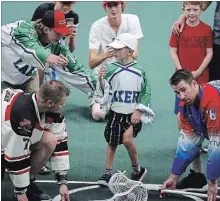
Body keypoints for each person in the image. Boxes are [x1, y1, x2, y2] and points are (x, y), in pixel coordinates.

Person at [1, 10, 104, 121]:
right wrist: (50, 57)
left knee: (35, 112)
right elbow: (32, 49)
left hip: (27, 77)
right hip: (3, 77)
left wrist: (101, 88)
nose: (61, 36)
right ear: (46, 29)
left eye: (62, 33)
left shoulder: (56, 44)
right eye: (57, 33)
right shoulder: (22, 30)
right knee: (6, 117)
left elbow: (76, 68)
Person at [94, 33, 155, 186]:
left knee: (127, 140)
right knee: (112, 141)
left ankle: (137, 169)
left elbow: (145, 93)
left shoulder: (139, 71)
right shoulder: (109, 69)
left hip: (132, 114)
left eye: (118, 49)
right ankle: (107, 173)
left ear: (129, 50)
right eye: (114, 48)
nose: (114, 51)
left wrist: (139, 111)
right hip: (116, 112)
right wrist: (100, 80)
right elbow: (103, 93)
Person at [1, 80, 71, 201]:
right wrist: (20, 192)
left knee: (50, 140)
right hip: (5, 141)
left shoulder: (49, 110)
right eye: (62, 103)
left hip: (8, 138)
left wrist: (62, 182)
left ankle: (29, 186)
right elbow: (15, 156)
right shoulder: (22, 116)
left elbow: (60, 143)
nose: (63, 106)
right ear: (50, 103)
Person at [161, 70, 220, 201]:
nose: (181, 96)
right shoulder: (185, 105)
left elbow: (216, 146)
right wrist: (173, 177)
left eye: (183, 90)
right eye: (177, 92)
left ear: (194, 84)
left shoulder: (213, 103)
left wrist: (212, 181)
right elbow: (188, 143)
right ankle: (198, 177)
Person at [89, 1, 143, 78]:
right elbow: (92, 63)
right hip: (103, 77)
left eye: (116, 5)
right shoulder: (96, 27)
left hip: (127, 74)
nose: (113, 9)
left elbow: (134, 55)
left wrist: (117, 51)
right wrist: (106, 54)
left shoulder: (132, 20)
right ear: (104, 7)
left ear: (122, 5)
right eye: (109, 6)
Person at [171, 2, 220, 81]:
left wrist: (198, 72)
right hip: (182, 76)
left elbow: (209, 53)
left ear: (201, 10)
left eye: (195, 10)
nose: (192, 13)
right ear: (183, 10)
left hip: (202, 76)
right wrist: (181, 71)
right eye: (188, 10)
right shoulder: (178, 29)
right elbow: (173, 52)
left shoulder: (207, 30)